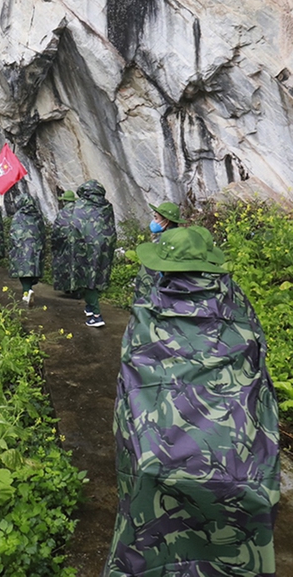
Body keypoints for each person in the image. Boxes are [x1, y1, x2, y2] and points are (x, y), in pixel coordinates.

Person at [102, 227, 280, 577]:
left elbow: (133, 390)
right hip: (233, 454)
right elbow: (259, 385)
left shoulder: (146, 314)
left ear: (164, 268)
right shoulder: (240, 312)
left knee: (149, 521)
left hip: (157, 455)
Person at [71, 180, 116, 327]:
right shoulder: (107, 206)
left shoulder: (81, 206)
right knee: (97, 276)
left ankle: (97, 316)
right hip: (105, 247)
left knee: (87, 279)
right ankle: (90, 308)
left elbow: (75, 226)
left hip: (86, 247)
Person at [134, 201, 186, 301]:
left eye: (156, 218)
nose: (153, 221)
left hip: (156, 296)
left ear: (166, 221)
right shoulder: (180, 237)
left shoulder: (164, 242)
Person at [8, 193, 46, 306]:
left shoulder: (18, 215)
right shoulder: (38, 215)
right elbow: (42, 232)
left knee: (23, 271)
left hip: (22, 248)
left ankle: (27, 292)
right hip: (36, 247)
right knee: (32, 270)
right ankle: (28, 290)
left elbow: (14, 232)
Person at [51, 190, 80, 296]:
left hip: (64, 243)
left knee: (64, 264)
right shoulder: (80, 212)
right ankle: (77, 289)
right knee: (77, 265)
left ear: (65, 201)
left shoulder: (62, 213)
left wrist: (55, 243)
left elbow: (56, 229)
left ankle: (67, 287)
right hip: (79, 243)